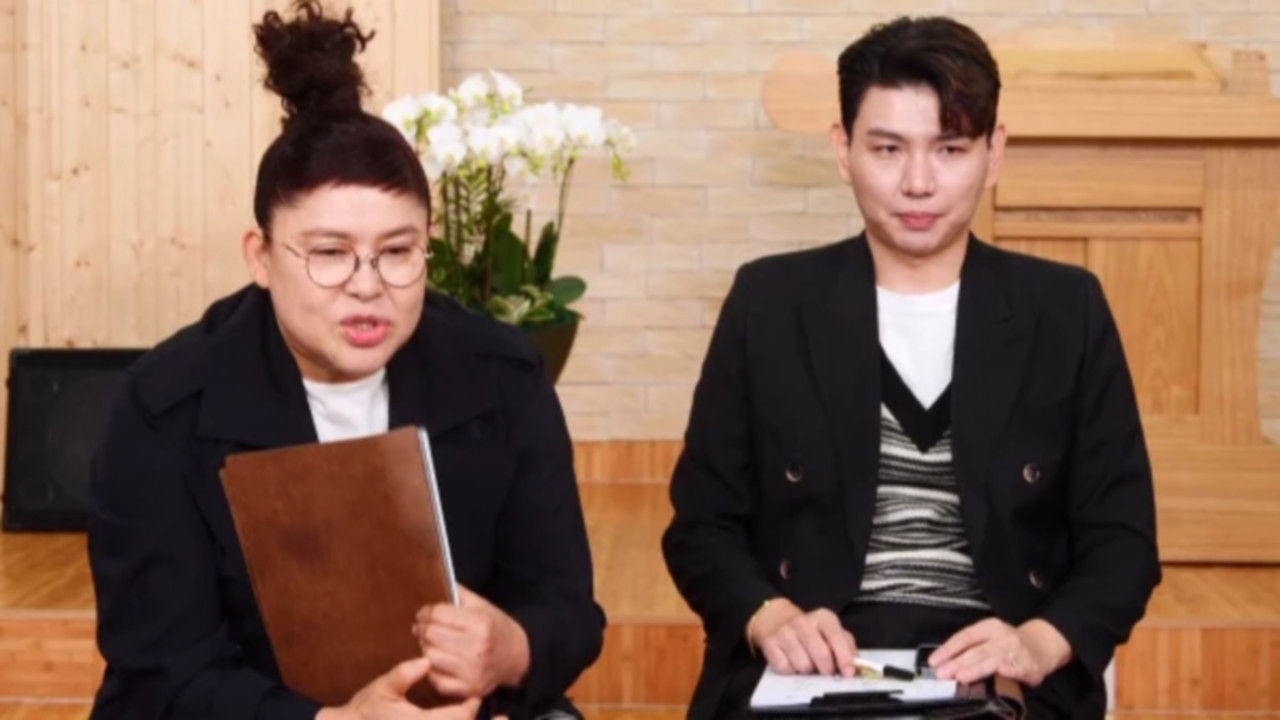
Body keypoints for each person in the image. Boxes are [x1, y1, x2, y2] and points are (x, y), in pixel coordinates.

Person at [87, 3, 603, 719]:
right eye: (329, 253)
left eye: (398, 251)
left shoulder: (501, 376)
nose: (367, 285)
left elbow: (568, 609)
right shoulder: (164, 405)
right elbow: (161, 672)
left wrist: (511, 648)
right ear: (261, 256)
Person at [662, 16, 1159, 720]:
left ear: (994, 153)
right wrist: (769, 615)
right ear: (843, 150)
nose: (918, 183)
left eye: (950, 149)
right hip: (812, 664)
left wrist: (1037, 644)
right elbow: (701, 525)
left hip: (996, 667)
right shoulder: (768, 303)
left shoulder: (1065, 310)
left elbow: (1123, 542)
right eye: (888, 149)